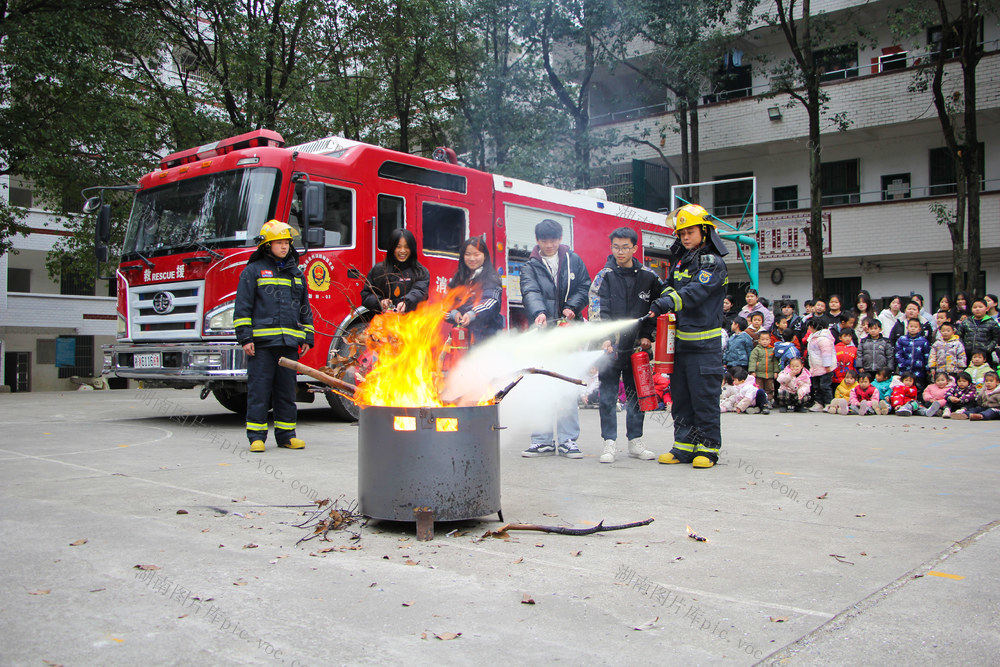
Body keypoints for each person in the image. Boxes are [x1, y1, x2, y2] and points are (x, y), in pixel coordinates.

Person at [649, 204, 728, 468]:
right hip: (680, 346)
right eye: (681, 233)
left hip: (705, 348)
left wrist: (667, 302)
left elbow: (694, 293)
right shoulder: (682, 261)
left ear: (705, 231)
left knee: (703, 400)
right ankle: (683, 447)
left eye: (690, 232)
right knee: (681, 399)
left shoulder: (714, 264)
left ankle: (708, 449)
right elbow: (669, 287)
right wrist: (656, 298)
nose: (684, 237)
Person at [235, 220, 314, 453]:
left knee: (286, 392)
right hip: (261, 345)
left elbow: (304, 308)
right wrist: (245, 338)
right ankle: (256, 437)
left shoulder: (296, 274)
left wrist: (307, 336)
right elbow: (243, 308)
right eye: (278, 242)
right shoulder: (253, 271)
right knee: (259, 390)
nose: (284, 247)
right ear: (267, 246)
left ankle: (287, 436)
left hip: (288, 343)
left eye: (287, 243)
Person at [519, 219, 591, 458]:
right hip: (542, 335)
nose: (549, 244)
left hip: (567, 332)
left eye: (553, 239)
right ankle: (541, 441)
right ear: (537, 240)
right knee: (540, 385)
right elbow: (530, 291)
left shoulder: (574, 260)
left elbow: (584, 287)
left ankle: (568, 440)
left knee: (566, 385)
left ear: (560, 239)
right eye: (544, 240)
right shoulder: (530, 266)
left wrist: (572, 307)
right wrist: (538, 313)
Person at [589, 227, 660, 463]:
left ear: (635, 248)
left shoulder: (649, 277)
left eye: (625, 247)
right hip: (610, 349)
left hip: (637, 350)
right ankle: (609, 443)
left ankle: (635, 442)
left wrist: (648, 335)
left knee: (635, 396)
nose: (620, 252)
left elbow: (659, 307)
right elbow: (597, 309)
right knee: (608, 397)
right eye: (616, 247)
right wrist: (604, 338)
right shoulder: (604, 276)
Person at [444, 236, 504, 344]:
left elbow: (491, 302)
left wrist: (472, 314)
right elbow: (444, 305)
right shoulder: (458, 278)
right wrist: (453, 313)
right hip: (461, 338)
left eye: (476, 254)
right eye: (467, 254)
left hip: (486, 338)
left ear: (485, 256)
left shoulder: (492, 278)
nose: (472, 259)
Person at [360, 228, 429, 314]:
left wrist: (405, 303)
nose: (402, 251)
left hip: (411, 323)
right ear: (392, 248)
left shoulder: (420, 272)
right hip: (384, 323)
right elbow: (366, 295)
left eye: (406, 247)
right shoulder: (379, 270)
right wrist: (380, 302)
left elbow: (419, 292)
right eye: (398, 247)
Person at [957, 299, 1000, 364]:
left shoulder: (992, 323)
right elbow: (959, 336)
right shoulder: (966, 322)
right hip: (967, 355)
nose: (977, 309)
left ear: (987, 308)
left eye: (980, 307)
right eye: (975, 307)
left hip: (985, 355)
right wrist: (964, 347)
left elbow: (996, 338)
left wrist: (988, 348)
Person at [806, 317, 836, 411]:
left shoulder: (823, 338)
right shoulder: (813, 337)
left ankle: (828, 403)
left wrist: (827, 366)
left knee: (825, 386)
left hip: (824, 368)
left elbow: (826, 353)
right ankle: (819, 403)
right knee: (817, 387)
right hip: (816, 367)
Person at [895, 318, 931, 388]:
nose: (913, 329)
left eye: (915, 327)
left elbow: (927, 355)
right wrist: (902, 364)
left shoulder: (923, 341)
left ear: (919, 329)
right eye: (911, 326)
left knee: (918, 387)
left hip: (919, 370)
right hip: (904, 369)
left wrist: (927, 367)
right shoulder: (902, 339)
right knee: (903, 387)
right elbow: (898, 353)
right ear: (907, 327)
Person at [748, 330, 777, 404]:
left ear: (770, 341)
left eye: (767, 340)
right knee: (758, 388)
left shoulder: (772, 350)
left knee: (770, 388)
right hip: (759, 374)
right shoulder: (756, 350)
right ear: (759, 341)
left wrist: (776, 371)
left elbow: (775, 362)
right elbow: (752, 360)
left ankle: (769, 400)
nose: (765, 341)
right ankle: (759, 402)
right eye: (763, 339)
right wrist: (752, 371)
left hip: (769, 374)